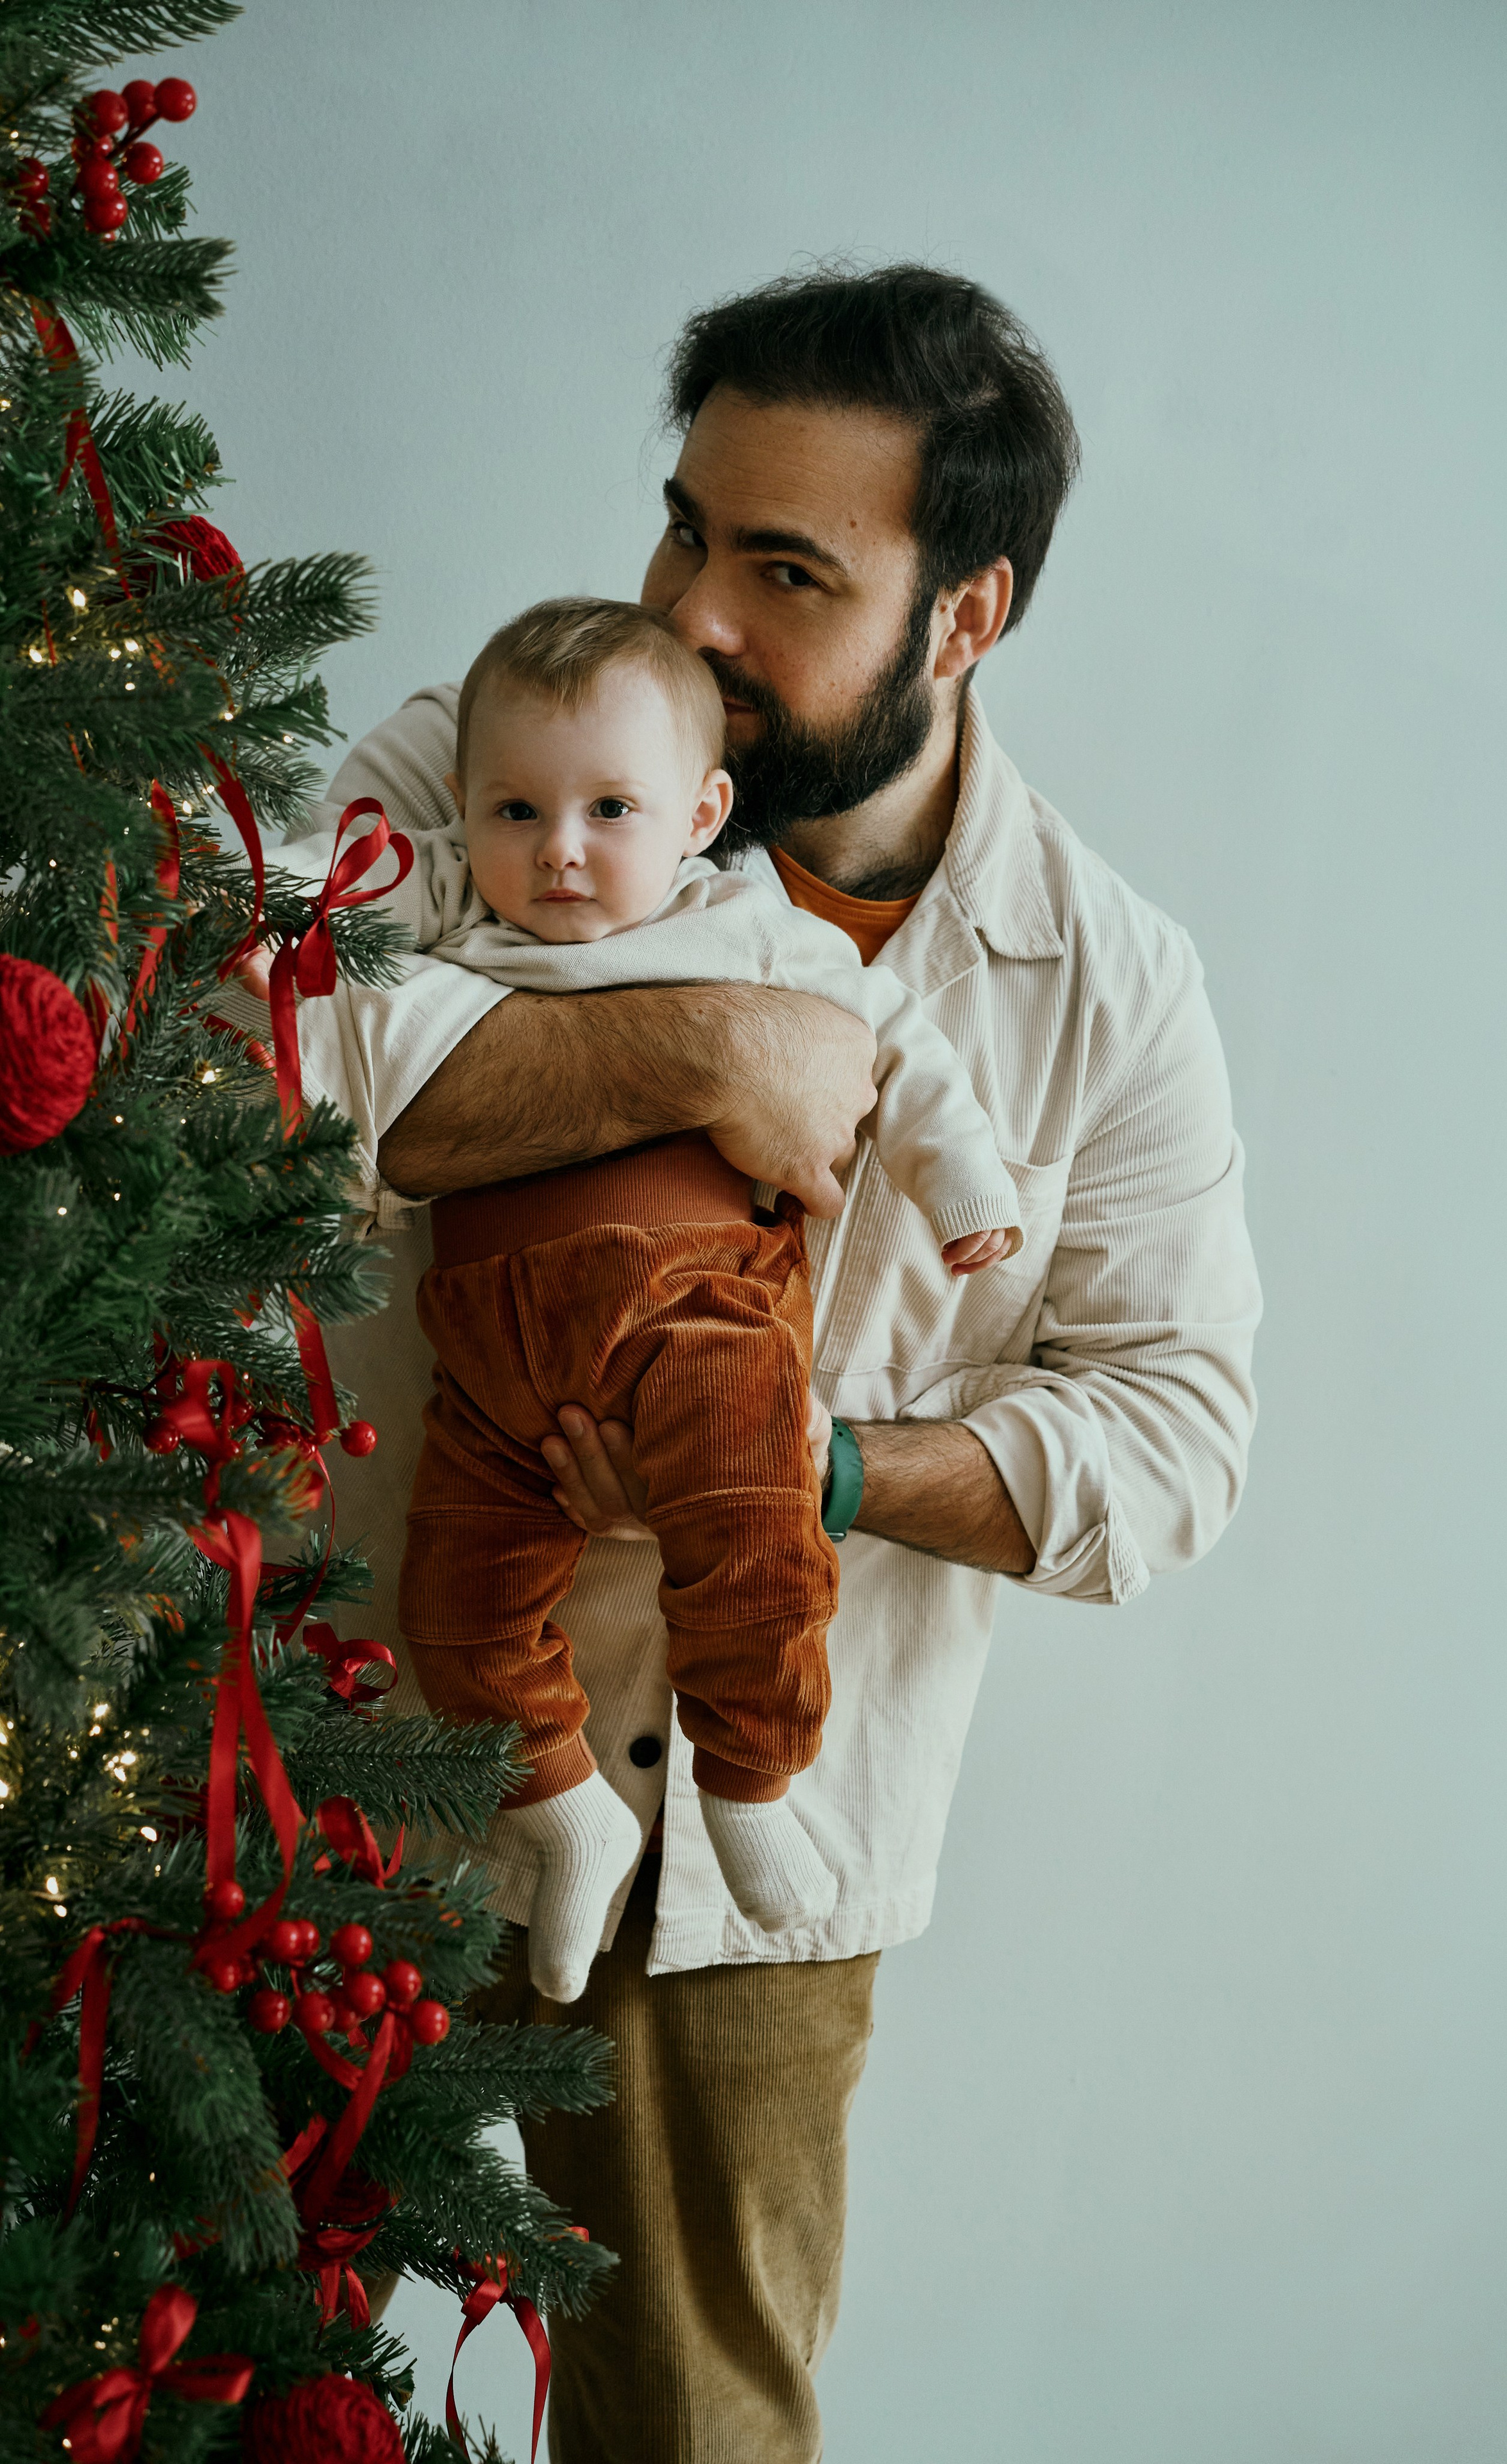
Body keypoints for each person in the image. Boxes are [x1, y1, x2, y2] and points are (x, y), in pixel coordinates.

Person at [280, 264, 1261, 2464]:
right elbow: (272, 1054)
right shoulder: (481, 755)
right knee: (195, 2364)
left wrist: (799, 1472)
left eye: (788, 570)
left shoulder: (1109, 979)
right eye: (685, 530)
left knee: (698, 2436)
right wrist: (717, 1039)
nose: (696, 615)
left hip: (759, 1862)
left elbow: (1176, 1439)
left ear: (967, 614)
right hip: (358, 1728)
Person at [312, 592, 1021, 2001]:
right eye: (513, 811)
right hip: (493, 1364)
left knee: (754, 1540)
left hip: (697, 1315)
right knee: (451, 1613)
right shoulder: (457, 900)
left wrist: (964, 1185)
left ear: (701, 814)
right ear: (464, 810)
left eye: (608, 813)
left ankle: (750, 1785)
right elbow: (310, 953)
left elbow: (898, 1053)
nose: (559, 852)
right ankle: (562, 1808)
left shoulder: (745, 931)